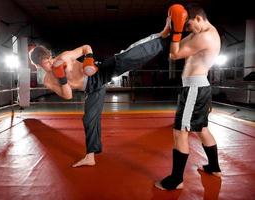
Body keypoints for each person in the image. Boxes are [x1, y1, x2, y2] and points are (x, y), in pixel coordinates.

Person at [29, 23, 171, 167]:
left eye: (49, 59)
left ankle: (160, 37)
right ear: (38, 66)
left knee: (126, 57)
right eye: (45, 63)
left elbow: (86, 47)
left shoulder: (64, 57)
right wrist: (62, 79)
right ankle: (91, 156)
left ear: (50, 55)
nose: (50, 63)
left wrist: (89, 59)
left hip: (99, 72)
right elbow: (68, 95)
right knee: (89, 120)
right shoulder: (48, 80)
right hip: (92, 90)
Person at [155, 4, 222, 190]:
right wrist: (171, 29)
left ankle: (176, 180)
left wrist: (175, 33)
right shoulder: (200, 32)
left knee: (180, 132)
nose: (189, 30)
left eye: (190, 25)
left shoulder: (205, 36)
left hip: (194, 88)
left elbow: (174, 54)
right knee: (202, 130)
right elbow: (173, 49)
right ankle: (214, 167)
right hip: (198, 87)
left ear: (198, 18)